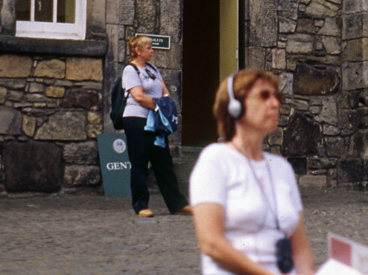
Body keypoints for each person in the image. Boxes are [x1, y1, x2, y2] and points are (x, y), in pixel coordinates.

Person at [190, 69, 315, 275]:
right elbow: (211, 243)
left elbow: (300, 249)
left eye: (277, 97)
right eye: (264, 95)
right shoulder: (215, 160)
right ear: (235, 106)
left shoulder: (282, 168)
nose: (275, 104)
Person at [121, 33, 190, 217]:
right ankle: (141, 205)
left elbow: (165, 92)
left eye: (152, 47)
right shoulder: (130, 70)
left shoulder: (152, 69)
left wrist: (164, 105)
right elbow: (138, 96)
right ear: (137, 51)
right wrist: (161, 107)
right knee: (140, 162)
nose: (152, 51)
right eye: (148, 48)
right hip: (137, 119)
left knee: (164, 162)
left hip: (156, 121)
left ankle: (177, 204)